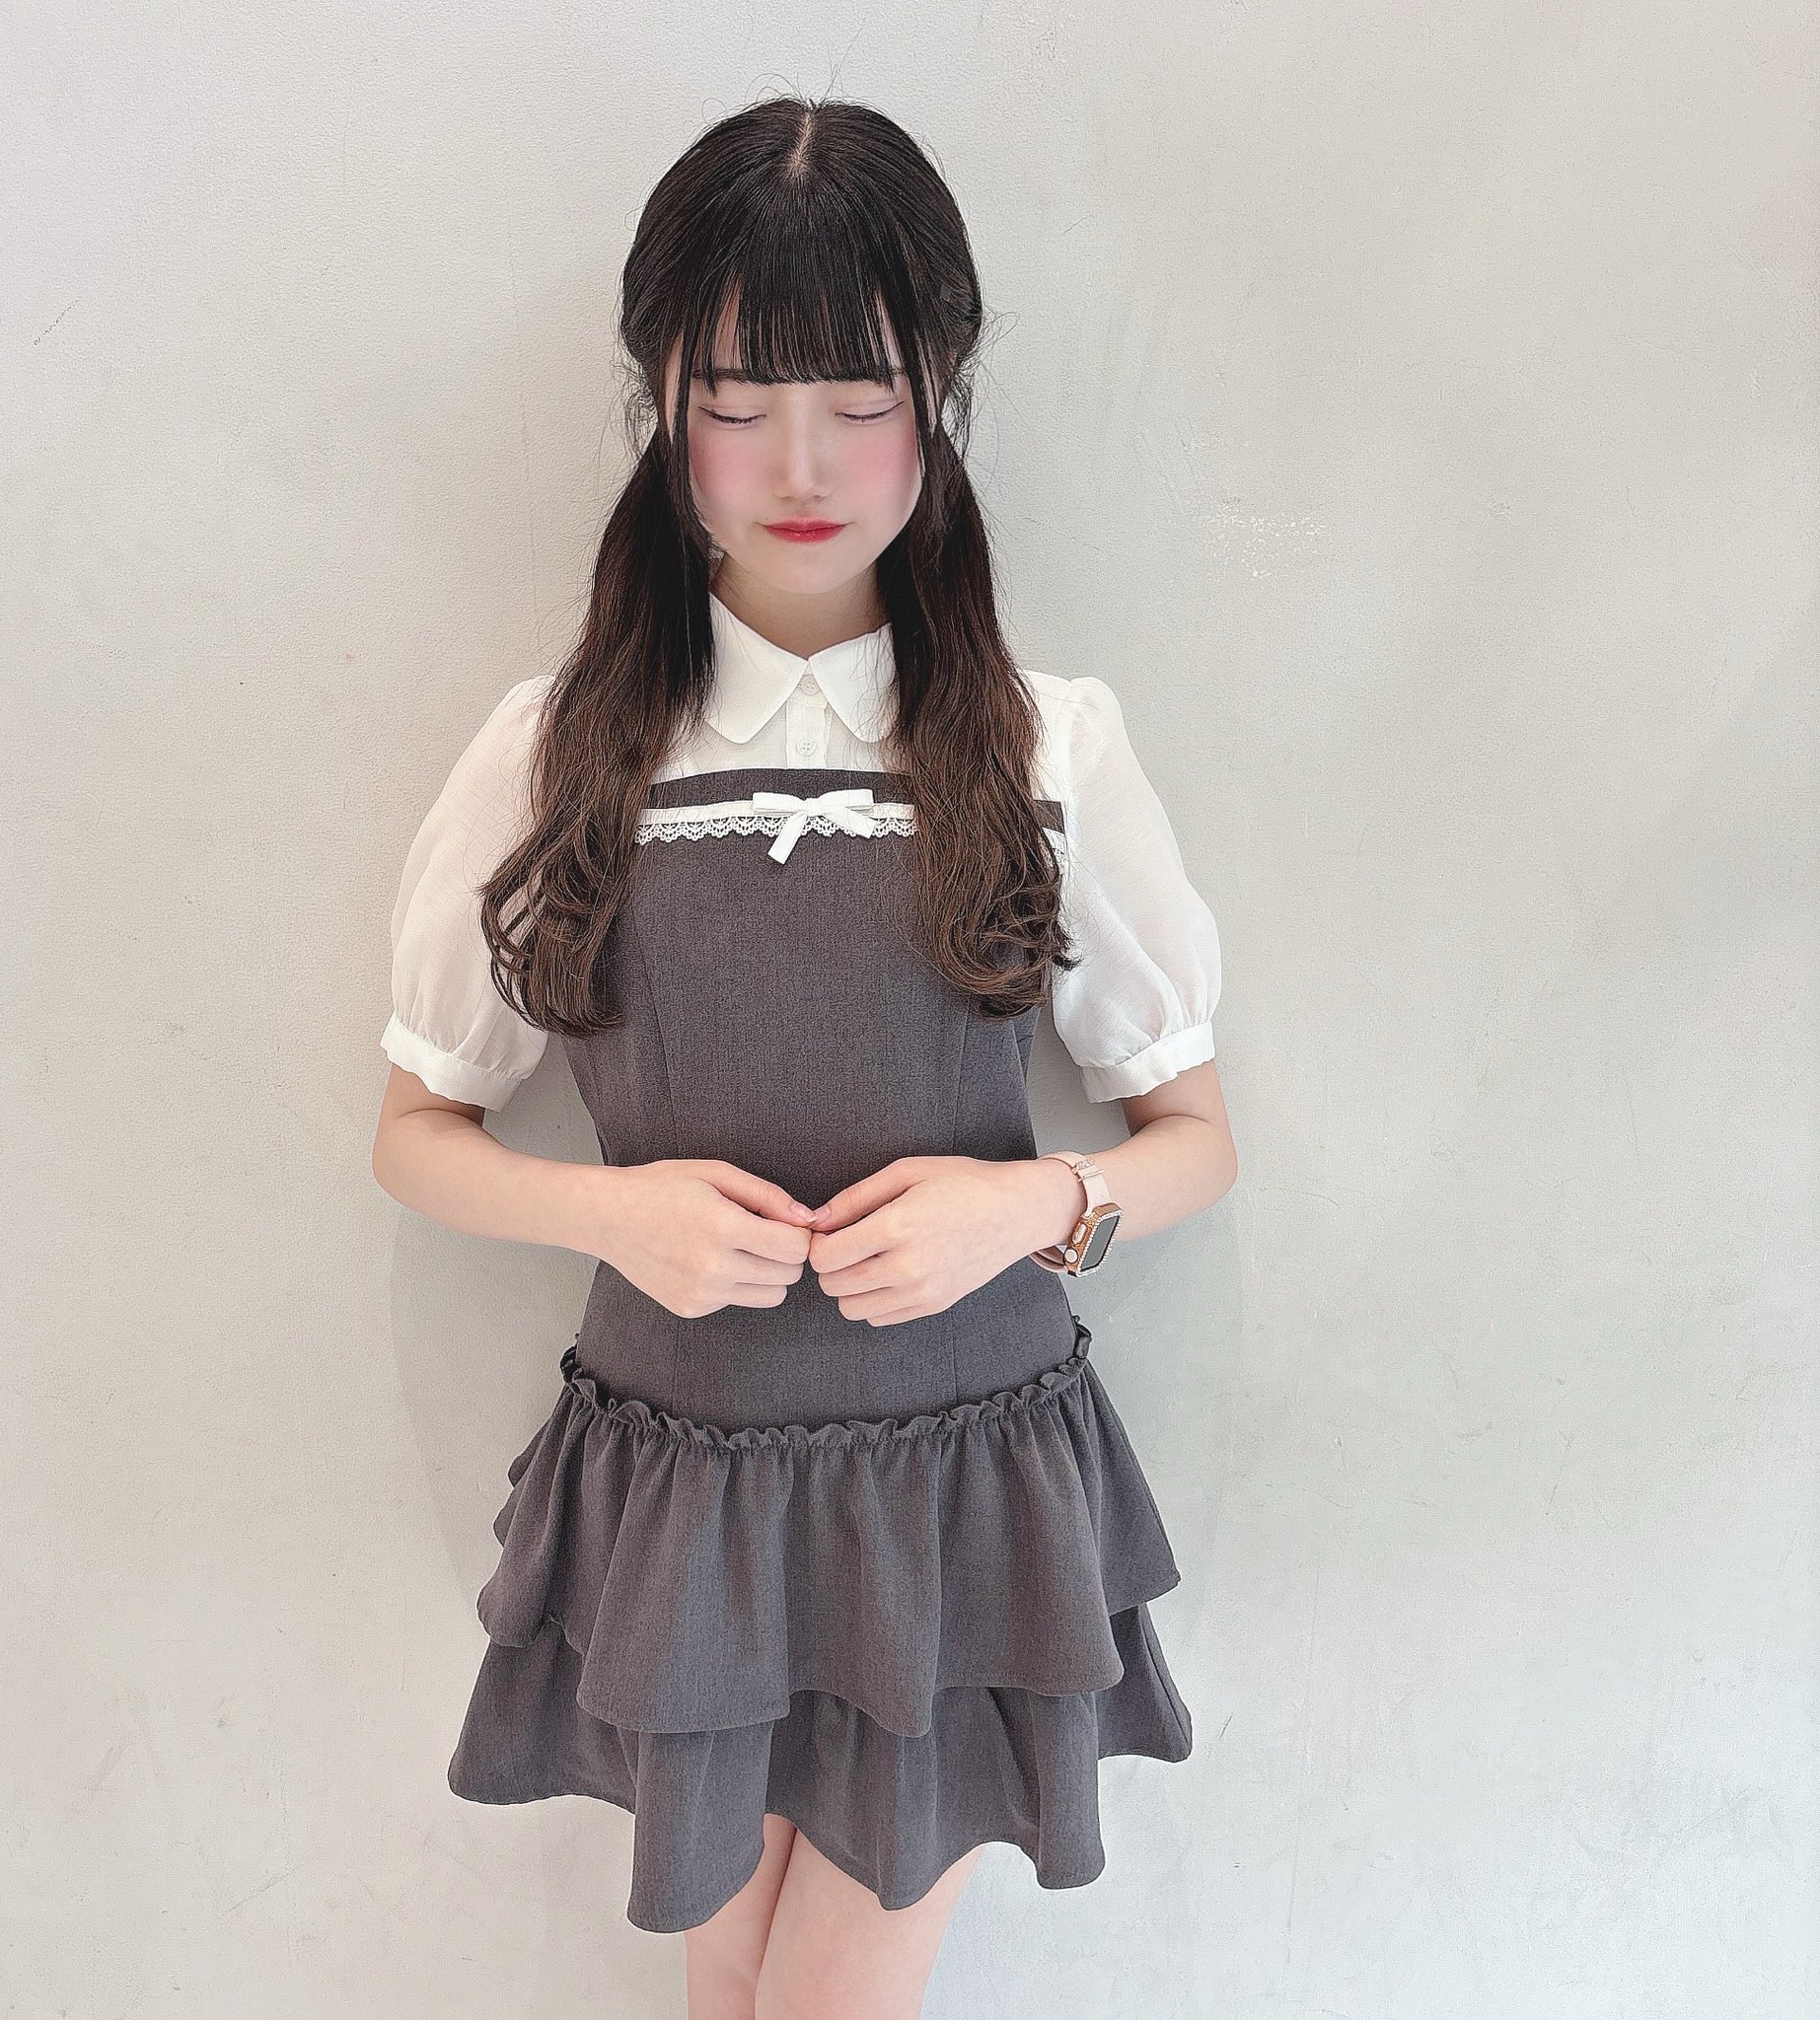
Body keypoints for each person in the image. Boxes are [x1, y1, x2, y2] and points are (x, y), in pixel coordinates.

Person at [370, 93, 1236, 2020]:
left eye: (859, 398)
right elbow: (418, 1128)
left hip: (961, 1477)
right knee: (736, 1979)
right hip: (685, 1473)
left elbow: (1190, 1133)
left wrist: (1029, 1205)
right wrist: (612, 1214)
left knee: (828, 1994)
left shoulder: (1042, 742)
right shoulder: (558, 748)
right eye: (739, 400)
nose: (800, 465)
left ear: (939, 400)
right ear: (661, 408)